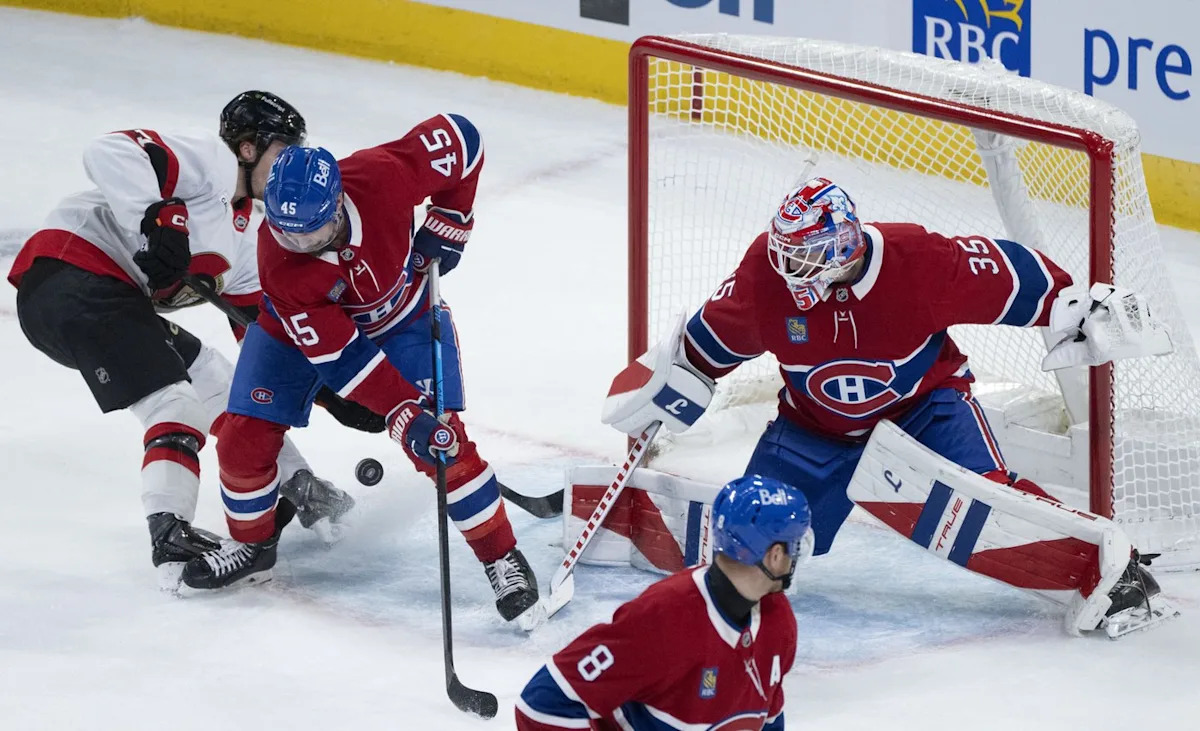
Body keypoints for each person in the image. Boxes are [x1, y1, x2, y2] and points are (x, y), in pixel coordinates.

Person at [602, 177, 1171, 633]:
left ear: (841, 245)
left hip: (924, 409)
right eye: (785, 255)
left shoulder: (917, 261)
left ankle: (1106, 565)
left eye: (802, 258)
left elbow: (1012, 274)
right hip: (812, 429)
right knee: (755, 530)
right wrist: (669, 386)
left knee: (986, 498)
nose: (787, 270)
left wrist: (1076, 306)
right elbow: (707, 345)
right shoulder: (767, 276)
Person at [181, 117, 542, 628]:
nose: (299, 245)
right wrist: (400, 411)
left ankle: (502, 557)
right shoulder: (280, 262)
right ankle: (252, 547)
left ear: (337, 204)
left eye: (313, 233)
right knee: (243, 438)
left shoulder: (382, 176)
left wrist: (452, 218)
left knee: (441, 444)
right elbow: (344, 360)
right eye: (288, 233)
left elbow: (465, 139)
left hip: (405, 320)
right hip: (297, 332)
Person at [7, 91, 355, 587]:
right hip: (69, 276)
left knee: (217, 377)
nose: (286, 172)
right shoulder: (211, 163)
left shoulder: (247, 239)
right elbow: (107, 150)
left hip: (109, 301)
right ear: (249, 149)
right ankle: (167, 532)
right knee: (176, 403)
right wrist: (155, 216)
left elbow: (270, 344)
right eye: (282, 153)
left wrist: (330, 389)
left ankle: (300, 484)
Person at [516, 475, 809, 730]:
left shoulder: (778, 619)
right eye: (794, 546)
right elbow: (543, 703)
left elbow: (767, 717)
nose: (796, 558)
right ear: (773, 555)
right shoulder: (665, 618)